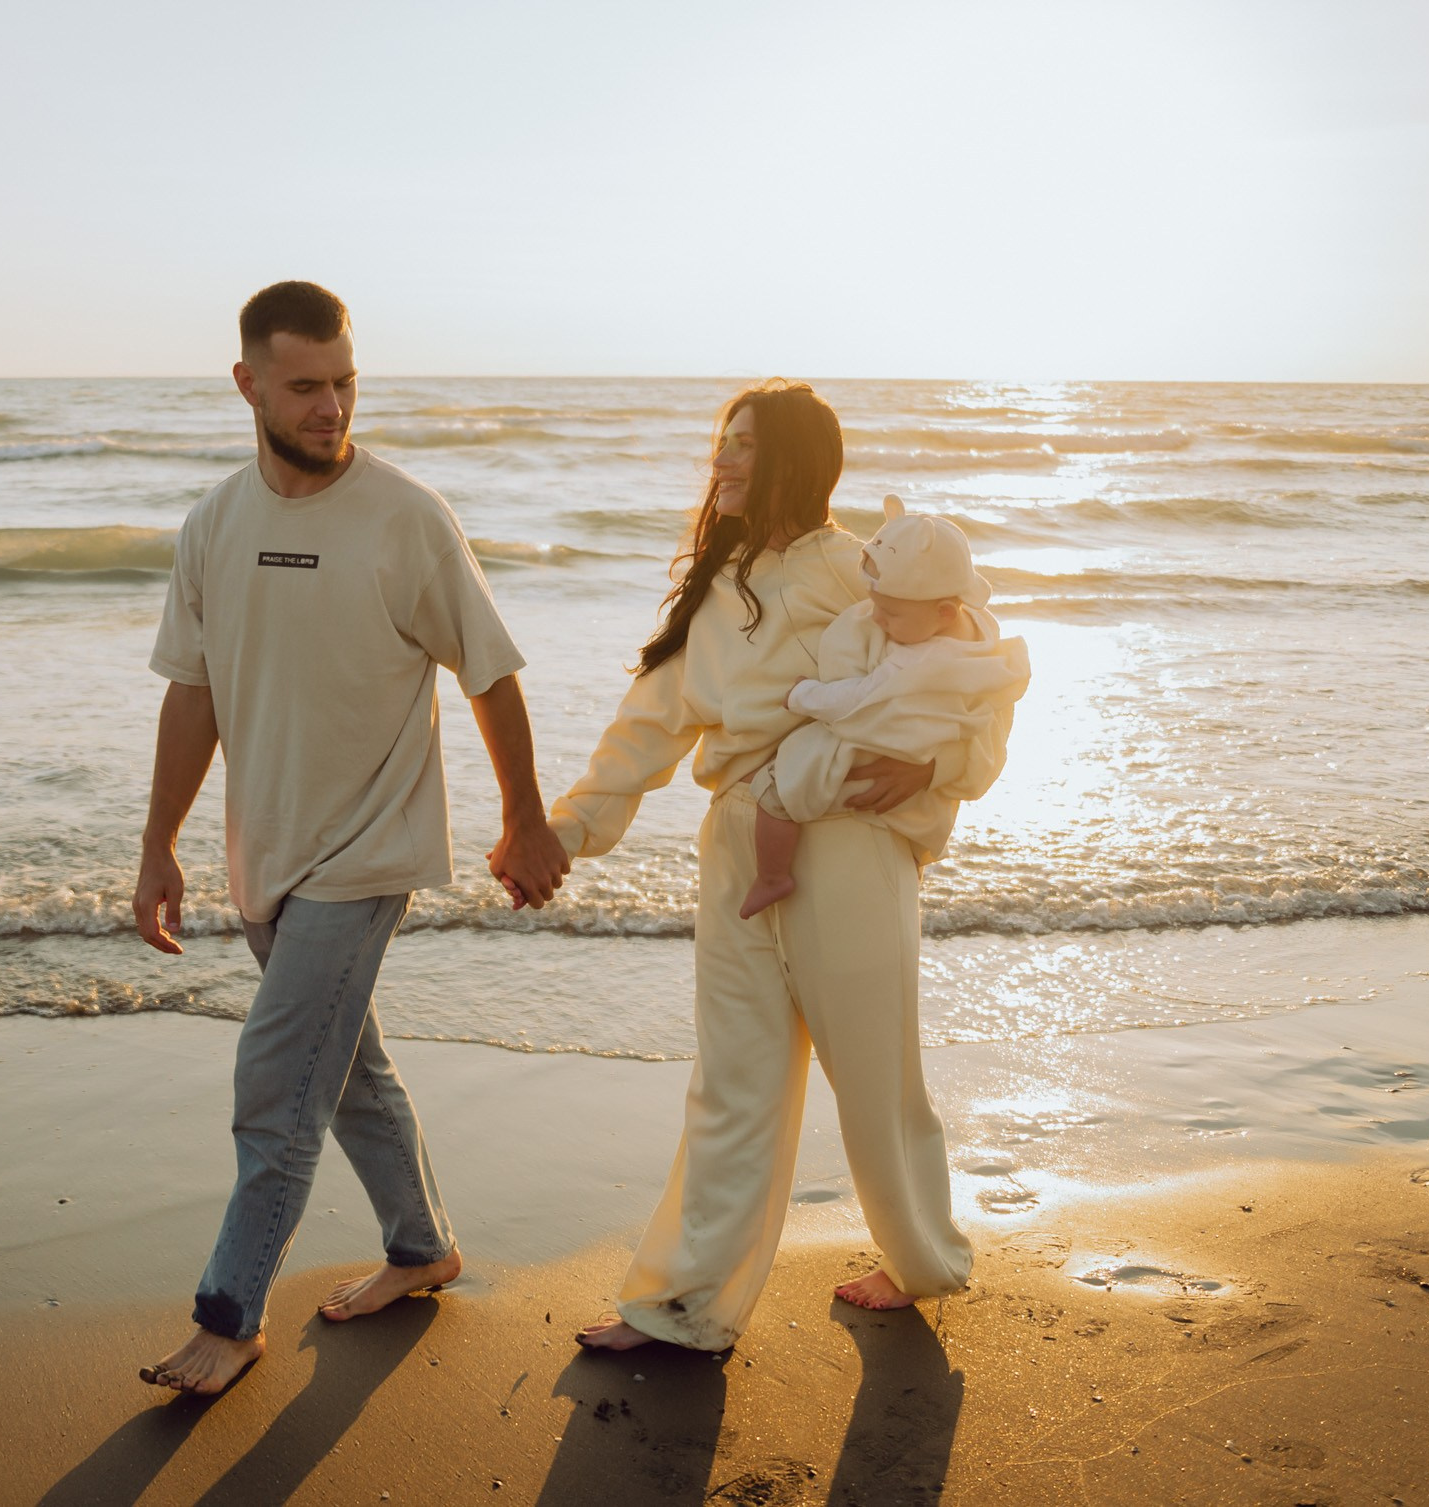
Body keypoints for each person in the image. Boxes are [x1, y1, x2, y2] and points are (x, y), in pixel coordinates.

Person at [131, 280, 571, 1397]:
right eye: (306, 388)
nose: (331, 409)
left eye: (345, 384)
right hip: (264, 857)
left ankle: (229, 1316)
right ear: (248, 385)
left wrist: (523, 819)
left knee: (277, 1084)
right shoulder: (216, 524)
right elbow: (192, 695)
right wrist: (157, 846)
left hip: (367, 854)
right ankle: (421, 1248)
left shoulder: (404, 516)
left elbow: (492, 670)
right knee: (350, 1070)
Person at [556, 382, 1011, 1354]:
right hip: (736, 840)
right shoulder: (719, 581)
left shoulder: (857, 568)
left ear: (795, 462)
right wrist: (566, 831)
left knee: (874, 1073)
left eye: (746, 447)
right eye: (723, 442)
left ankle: (921, 1261)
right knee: (733, 1080)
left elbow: (975, 669)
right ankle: (683, 1306)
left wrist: (938, 767)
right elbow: (653, 719)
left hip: (845, 836)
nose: (721, 461)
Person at [738, 495, 1030, 919]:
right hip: (926, 752)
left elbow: (861, 698)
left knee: (775, 788)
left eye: (889, 612)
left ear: (945, 612)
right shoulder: (983, 628)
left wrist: (803, 695)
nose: (875, 618)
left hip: (886, 751)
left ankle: (772, 877)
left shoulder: (916, 661)